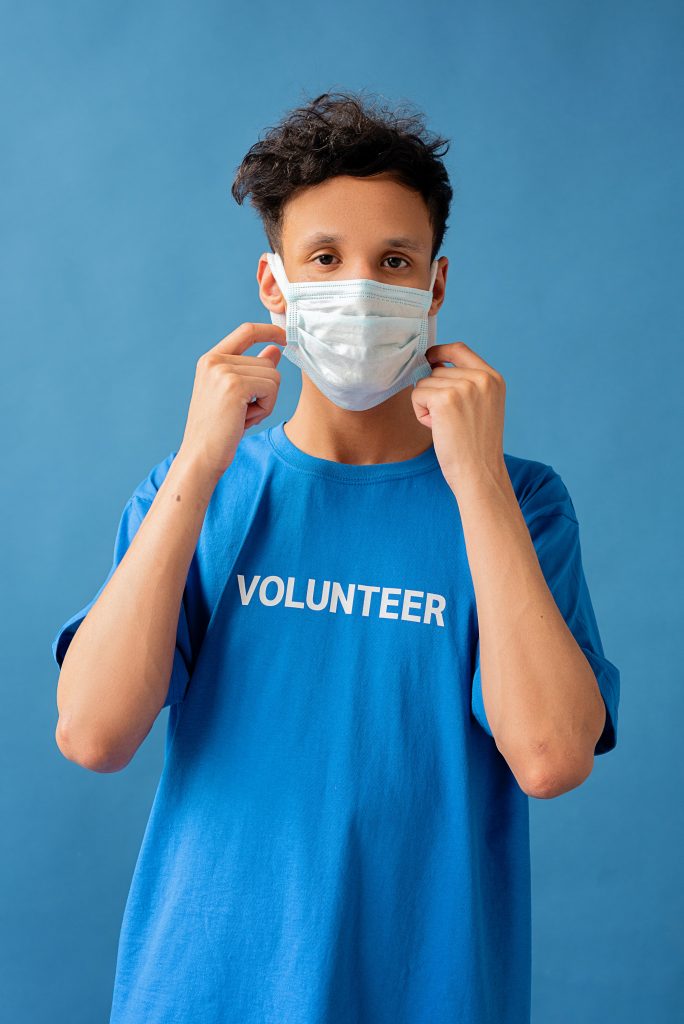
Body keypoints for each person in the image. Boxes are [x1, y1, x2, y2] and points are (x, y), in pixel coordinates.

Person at [51, 90, 620, 1024]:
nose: (360, 289)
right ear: (275, 285)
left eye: (394, 261)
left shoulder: (523, 504)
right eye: (325, 258)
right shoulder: (196, 493)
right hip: (201, 993)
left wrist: (476, 481)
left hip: (426, 993)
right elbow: (92, 734)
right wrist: (199, 461)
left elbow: (553, 756)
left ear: (435, 285)